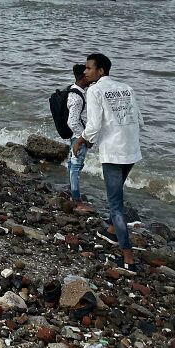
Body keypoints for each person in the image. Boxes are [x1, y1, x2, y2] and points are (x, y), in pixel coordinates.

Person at [73, 53, 144, 274]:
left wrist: (82, 141)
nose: (85, 72)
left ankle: (128, 259)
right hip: (131, 149)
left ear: (100, 71)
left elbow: (94, 125)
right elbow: (139, 119)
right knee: (117, 195)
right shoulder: (126, 87)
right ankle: (112, 230)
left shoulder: (95, 90)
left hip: (114, 153)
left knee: (115, 205)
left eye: (88, 68)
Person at [67, 63, 89, 205]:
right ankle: (76, 198)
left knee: (72, 164)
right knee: (76, 166)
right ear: (83, 77)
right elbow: (72, 122)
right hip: (77, 136)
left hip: (74, 135)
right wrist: (83, 138)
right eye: (87, 73)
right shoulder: (77, 97)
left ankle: (71, 191)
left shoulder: (74, 90)